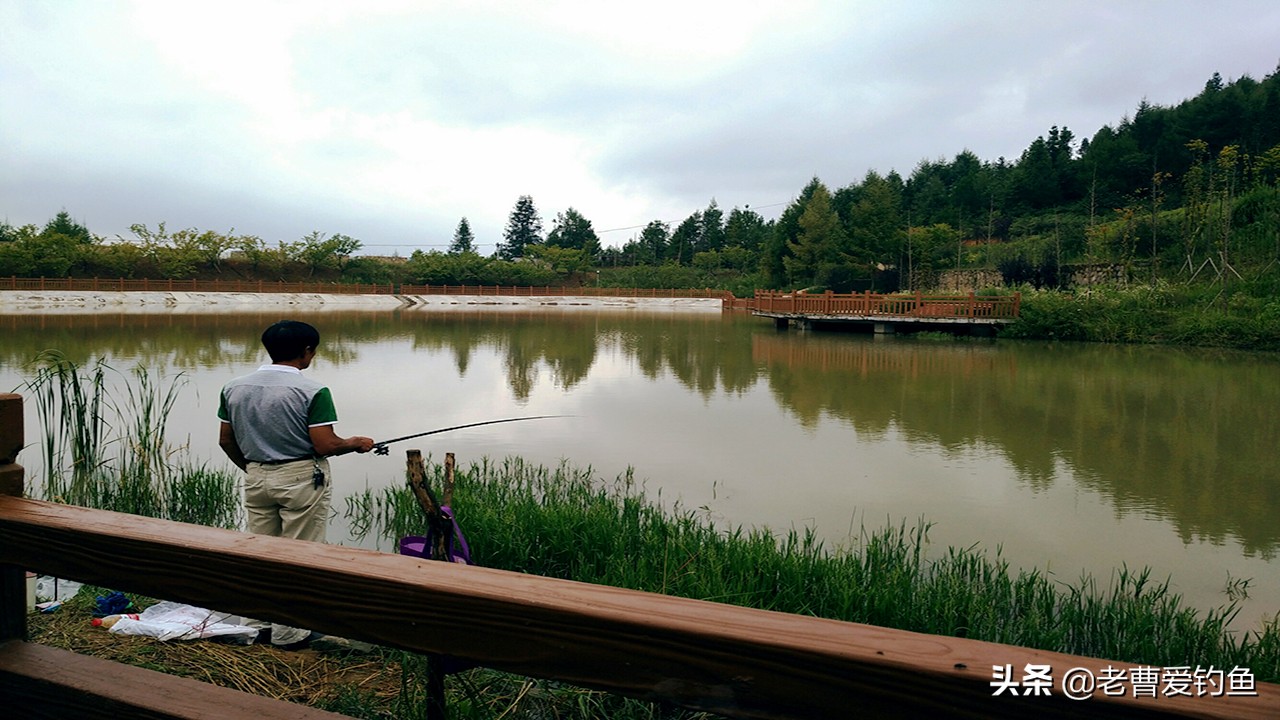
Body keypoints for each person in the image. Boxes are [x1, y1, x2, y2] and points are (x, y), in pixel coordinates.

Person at [217, 319, 374, 649]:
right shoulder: (313, 391)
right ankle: (291, 635)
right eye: (312, 351)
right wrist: (356, 442)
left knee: (261, 553)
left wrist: (252, 468)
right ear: (307, 352)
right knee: (300, 555)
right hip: (301, 478)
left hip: (256, 476)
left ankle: (255, 626)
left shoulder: (234, 387)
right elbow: (325, 445)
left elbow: (226, 441)